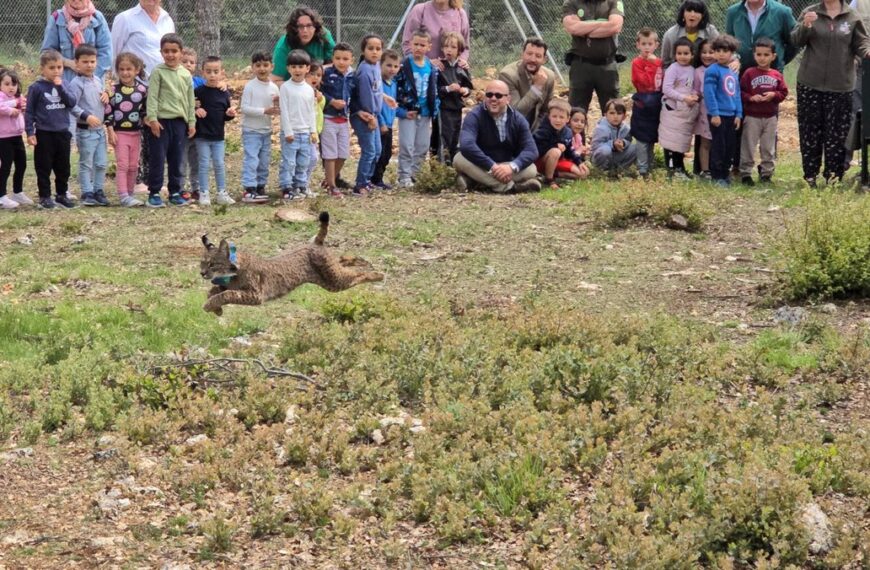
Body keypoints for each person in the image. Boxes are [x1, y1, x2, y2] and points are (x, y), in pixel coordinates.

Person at [792, 0, 870, 186]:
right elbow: (796, 40)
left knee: (837, 133)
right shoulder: (810, 12)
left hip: (841, 85)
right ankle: (810, 175)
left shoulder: (852, 16)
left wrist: (866, 52)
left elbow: (861, 42)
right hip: (810, 83)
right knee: (810, 131)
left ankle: (833, 176)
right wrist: (806, 26)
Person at [452, 80, 541, 193]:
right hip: (482, 164)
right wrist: (492, 167)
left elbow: (531, 150)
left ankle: (474, 181)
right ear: (485, 97)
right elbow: (467, 145)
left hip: (506, 164)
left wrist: (511, 167)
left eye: (498, 95)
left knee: (531, 169)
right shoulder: (474, 116)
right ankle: (509, 187)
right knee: (459, 159)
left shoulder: (518, 119)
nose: (493, 98)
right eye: (489, 95)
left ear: (508, 99)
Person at [144, 33, 195, 208]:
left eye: (174, 51)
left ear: (181, 52)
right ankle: (154, 193)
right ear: (161, 52)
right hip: (161, 123)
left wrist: (191, 122)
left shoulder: (185, 74)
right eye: (166, 51)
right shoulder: (158, 72)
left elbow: (189, 100)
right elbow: (152, 97)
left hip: (179, 123)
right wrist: (152, 119)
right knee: (157, 158)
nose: (170, 55)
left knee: (177, 158)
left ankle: (174, 191)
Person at [25, 50, 77, 210]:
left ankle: (61, 194)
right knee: (44, 166)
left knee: (63, 167)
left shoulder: (65, 84)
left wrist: (60, 88)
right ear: (42, 69)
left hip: (62, 132)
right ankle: (44, 196)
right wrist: (30, 132)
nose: (56, 71)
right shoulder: (36, 88)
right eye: (52, 67)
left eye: (59, 67)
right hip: (44, 133)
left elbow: (71, 102)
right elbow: (29, 111)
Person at [739, 38, 788, 185]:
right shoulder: (749, 73)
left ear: (773, 56)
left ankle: (766, 173)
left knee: (768, 147)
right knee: (748, 145)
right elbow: (740, 92)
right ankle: (746, 173)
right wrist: (751, 97)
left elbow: (784, 92)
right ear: (754, 55)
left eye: (766, 55)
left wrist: (774, 95)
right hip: (752, 116)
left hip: (770, 117)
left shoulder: (776, 74)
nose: (762, 58)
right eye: (759, 54)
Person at [395, 28, 440, 189]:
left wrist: (435, 107)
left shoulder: (431, 67)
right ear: (410, 45)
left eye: (422, 45)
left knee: (422, 145)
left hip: (425, 112)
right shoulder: (404, 66)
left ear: (429, 46)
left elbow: (434, 89)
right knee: (407, 145)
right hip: (408, 113)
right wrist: (401, 110)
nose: (419, 48)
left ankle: (416, 174)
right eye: (416, 44)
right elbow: (396, 88)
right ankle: (403, 176)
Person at [561, 0, 623, 113]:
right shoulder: (571, 2)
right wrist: (602, 23)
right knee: (576, 112)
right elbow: (573, 28)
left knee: (614, 111)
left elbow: (614, 26)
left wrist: (584, 28)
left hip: (607, 67)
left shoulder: (613, 2)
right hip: (580, 66)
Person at [69, 44, 109, 206]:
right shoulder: (76, 83)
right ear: (77, 63)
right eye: (85, 62)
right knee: (86, 163)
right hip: (85, 131)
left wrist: (106, 95)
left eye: (92, 61)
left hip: (100, 131)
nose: (89, 65)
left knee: (101, 162)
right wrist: (86, 116)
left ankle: (98, 190)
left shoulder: (98, 80)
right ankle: (87, 192)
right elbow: (71, 105)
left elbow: (101, 98)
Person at [105, 52, 147, 207]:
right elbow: (108, 112)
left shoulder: (143, 89)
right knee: (122, 164)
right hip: (119, 133)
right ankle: (123, 195)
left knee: (133, 165)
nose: (125, 72)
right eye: (121, 69)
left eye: (129, 69)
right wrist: (110, 131)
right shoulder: (113, 90)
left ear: (137, 70)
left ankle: (130, 194)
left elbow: (146, 110)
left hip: (136, 133)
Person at [194, 56, 237, 206]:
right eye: (209, 71)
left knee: (219, 164)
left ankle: (221, 192)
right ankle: (204, 193)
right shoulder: (198, 92)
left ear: (222, 73)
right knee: (204, 163)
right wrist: (196, 109)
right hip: (202, 136)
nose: (212, 75)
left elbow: (225, 115)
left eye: (216, 71)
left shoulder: (224, 93)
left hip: (218, 137)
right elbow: (191, 107)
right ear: (203, 73)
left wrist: (230, 114)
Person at [40, 0, 113, 86]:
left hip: (93, 85)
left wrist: (89, 77)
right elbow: (46, 53)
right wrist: (69, 63)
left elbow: (106, 54)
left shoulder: (97, 17)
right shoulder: (57, 17)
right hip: (64, 85)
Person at [240, 52, 279, 204]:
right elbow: (244, 108)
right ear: (253, 68)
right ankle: (249, 189)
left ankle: (260, 186)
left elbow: (276, 108)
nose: (262, 69)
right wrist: (264, 111)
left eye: (265, 65)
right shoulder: (250, 87)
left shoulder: (274, 88)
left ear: (272, 66)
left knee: (264, 160)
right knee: (252, 159)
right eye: (258, 65)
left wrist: (278, 107)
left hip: (266, 131)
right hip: (251, 131)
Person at [658, 38, 700, 180]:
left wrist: (694, 96)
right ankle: (671, 169)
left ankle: (680, 167)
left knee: (681, 140)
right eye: (679, 53)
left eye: (686, 53)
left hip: (685, 111)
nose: (682, 56)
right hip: (672, 109)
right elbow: (667, 89)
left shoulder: (693, 70)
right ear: (675, 54)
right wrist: (683, 98)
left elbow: (694, 87)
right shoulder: (673, 69)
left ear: (692, 55)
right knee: (671, 140)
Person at [278, 50, 318, 200]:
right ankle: (287, 187)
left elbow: (311, 112)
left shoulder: (308, 89)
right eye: (294, 67)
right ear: (288, 69)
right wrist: (288, 131)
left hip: (305, 133)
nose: (297, 70)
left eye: (301, 67)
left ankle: (300, 185)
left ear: (307, 69)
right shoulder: (285, 88)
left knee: (303, 162)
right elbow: (284, 111)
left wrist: (313, 131)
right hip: (291, 134)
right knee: (289, 162)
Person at [704, 34, 743, 186]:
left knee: (730, 146)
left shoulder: (732, 70)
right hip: (718, 115)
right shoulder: (712, 71)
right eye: (718, 50)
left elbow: (737, 93)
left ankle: (726, 174)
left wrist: (738, 114)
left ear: (732, 53)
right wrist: (714, 113)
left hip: (732, 116)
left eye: (725, 51)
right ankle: (717, 176)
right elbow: (709, 94)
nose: (721, 54)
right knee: (719, 146)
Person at [351, 35, 385, 196]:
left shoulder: (377, 66)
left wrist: (387, 99)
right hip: (365, 116)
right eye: (370, 48)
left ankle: (368, 180)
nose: (374, 52)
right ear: (363, 51)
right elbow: (366, 97)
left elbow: (377, 91)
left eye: (378, 49)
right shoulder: (364, 70)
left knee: (377, 150)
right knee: (370, 150)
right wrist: (371, 117)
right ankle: (360, 184)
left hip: (374, 116)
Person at [498, 38, 556, 131]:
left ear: (544, 59)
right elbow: (515, 112)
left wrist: (538, 132)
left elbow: (545, 110)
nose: (532, 59)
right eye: (529, 54)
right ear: (522, 54)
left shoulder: (549, 76)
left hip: (535, 128)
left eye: (538, 56)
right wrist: (536, 88)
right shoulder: (508, 75)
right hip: (511, 128)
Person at [320, 42, 354, 197]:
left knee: (343, 154)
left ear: (351, 60)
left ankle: (329, 180)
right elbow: (317, 91)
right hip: (328, 118)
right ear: (332, 58)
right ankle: (332, 186)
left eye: (345, 59)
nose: (341, 62)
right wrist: (331, 101)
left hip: (344, 119)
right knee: (330, 154)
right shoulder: (326, 74)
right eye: (338, 58)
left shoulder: (352, 75)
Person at [726, 0, 797, 72]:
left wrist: (779, 61)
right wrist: (735, 59)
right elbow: (729, 43)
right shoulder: (733, 12)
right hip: (740, 74)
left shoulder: (782, 12)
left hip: (771, 75)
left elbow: (795, 42)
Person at [271, 6, 336, 84]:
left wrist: (317, 70)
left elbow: (338, 62)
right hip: (291, 88)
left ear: (315, 27)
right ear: (294, 28)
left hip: (319, 84)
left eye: (309, 26)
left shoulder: (324, 35)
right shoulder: (284, 45)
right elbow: (275, 80)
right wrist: (300, 87)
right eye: (300, 26)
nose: (305, 30)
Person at [631, 28, 664, 179]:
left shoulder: (659, 62)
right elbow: (643, 81)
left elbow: (661, 81)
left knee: (651, 137)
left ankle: (649, 166)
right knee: (642, 137)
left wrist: (655, 64)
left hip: (656, 103)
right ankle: (642, 168)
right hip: (643, 103)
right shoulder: (636, 63)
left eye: (650, 44)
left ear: (656, 45)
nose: (646, 47)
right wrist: (651, 66)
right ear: (637, 45)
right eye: (643, 44)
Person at [533, 98, 589, 188]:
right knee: (556, 151)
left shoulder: (567, 132)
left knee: (583, 174)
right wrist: (554, 145)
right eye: (554, 116)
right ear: (549, 117)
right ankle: (549, 180)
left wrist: (579, 162)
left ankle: (552, 175)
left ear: (567, 119)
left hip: (558, 161)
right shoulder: (543, 131)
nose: (558, 120)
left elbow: (569, 150)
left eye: (561, 117)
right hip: (541, 161)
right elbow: (536, 149)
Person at [111, 0, 175, 78]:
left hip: (164, 81)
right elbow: (114, 52)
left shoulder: (168, 20)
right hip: (134, 84)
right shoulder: (124, 18)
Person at [437, 32, 473, 165]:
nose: (449, 50)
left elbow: (469, 88)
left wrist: (464, 90)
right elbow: (435, 90)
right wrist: (448, 88)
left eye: (453, 47)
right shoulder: (439, 67)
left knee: (455, 137)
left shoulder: (462, 67)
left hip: (457, 108)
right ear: (442, 48)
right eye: (446, 46)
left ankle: (453, 166)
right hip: (443, 108)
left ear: (459, 50)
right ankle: (442, 169)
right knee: (443, 138)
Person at [402, 0, 470, 64]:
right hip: (424, 72)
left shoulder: (460, 14)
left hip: (451, 72)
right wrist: (427, 63)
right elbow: (407, 44)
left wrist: (462, 61)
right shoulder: (420, 10)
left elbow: (465, 47)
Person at [0, 69, 30, 209]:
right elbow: (2, 107)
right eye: (7, 84)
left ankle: (17, 192)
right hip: (3, 138)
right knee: (5, 166)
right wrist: (13, 106)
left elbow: (24, 108)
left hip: (17, 136)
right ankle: (1, 196)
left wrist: (23, 107)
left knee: (22, 164)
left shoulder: (19, 98)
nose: (11, 87)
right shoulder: (2, 98)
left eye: (14, 84)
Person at [373, 49, 401, 190]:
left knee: (387, 153)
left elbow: (393, 104)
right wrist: (382, 122)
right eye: (389, 65)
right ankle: (374, 179)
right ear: (380, 65)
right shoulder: (378, 83)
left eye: (395, 66)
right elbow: (377, 106)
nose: (392, 69)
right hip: (380, 124)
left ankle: (378, 179)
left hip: (389, 124)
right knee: (379, 152)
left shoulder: (393, 84)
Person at [661, 0, 720, 68]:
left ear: (702, 15)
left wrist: (734, 61)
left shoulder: (711, 31)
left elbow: (723, 52)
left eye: (697, 11)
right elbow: (665, 63)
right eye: (689, 10)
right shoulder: (671, 34)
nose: (692, 14)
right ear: (683, 13)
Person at [180, 47, 204, 201]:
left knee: (197, 161)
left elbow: (214, 90)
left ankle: (197, 188)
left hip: (199, 129)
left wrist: (223, 85)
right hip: (182, 128)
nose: (188, 65)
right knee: (180, 161)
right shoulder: (176, 80)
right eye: (185, 62)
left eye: (192, 62)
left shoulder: (200, 82)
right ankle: (180, 188)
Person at [591, 99, 637, 176]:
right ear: (605, 114)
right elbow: (595, 146)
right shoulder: (602, 128)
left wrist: (624, 143)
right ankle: (601, 172)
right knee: (605, 150)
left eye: (619, 113)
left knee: (636, 148)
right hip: (601, 157)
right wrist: (612, 144)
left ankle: (619, 171)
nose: (615, 116)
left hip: (616, 156)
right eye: (612, 113)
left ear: (624, 116)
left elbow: (629, 140)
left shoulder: (626, 128)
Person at [693, 39, 715, 178]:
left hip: (721, 111)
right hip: (704, 112)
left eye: (711, 52)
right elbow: (696, 90)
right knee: (705, 141)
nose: (707, 55)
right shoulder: (698, 71)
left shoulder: (722, 69)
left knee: (718, 142)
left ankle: (718, 167)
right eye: (704, 52)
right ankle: (705, 170)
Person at [305, 62, 326, 185]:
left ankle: (304, 183)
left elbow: (320, 109)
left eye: (319, 75)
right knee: (307, 159)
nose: (315, 78)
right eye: (312, 74)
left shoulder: (317, 93)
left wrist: (319, 99)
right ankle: (298, 184)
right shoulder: (302, 91)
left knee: (312, 159)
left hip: (315, 132)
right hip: (304, 131)